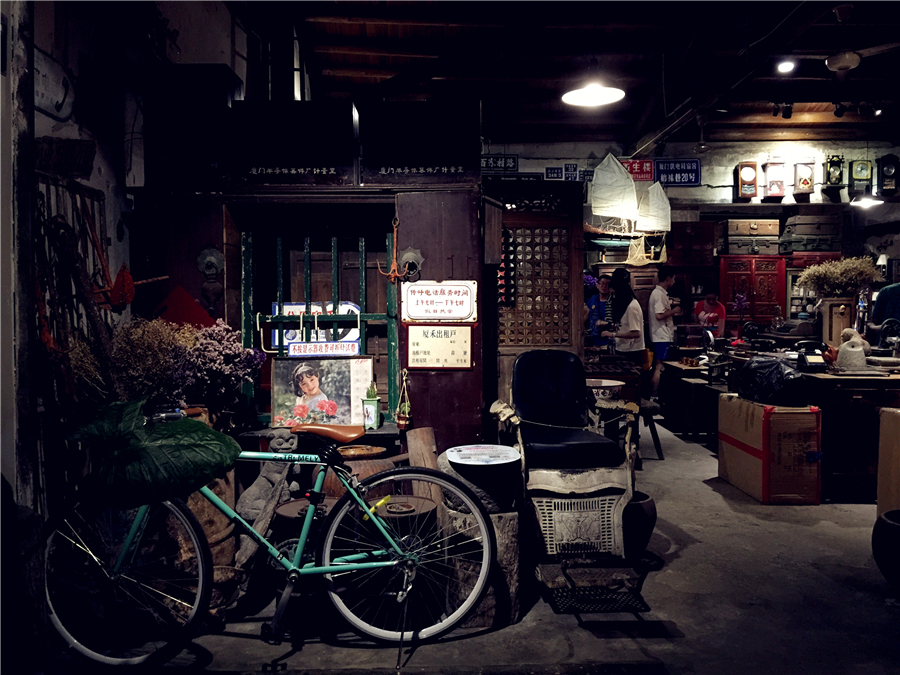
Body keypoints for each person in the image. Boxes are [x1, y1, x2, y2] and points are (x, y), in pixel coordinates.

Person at [648, 266, 682, 398]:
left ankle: (656, 395)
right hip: (661, 336)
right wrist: (674, 311)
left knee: (660, 366)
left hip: (660, 335)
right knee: (659, 366)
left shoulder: (659, 293)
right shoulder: (659, 294)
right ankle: (654, 395)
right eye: (673, 278)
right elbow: (659, 315)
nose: (674, 281)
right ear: (668, 278)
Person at [601, 267, 645, 367]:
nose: (613, 295)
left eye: (614, 292)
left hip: (632, 352)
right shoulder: (624, 305)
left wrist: (613, 334)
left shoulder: (632, 306)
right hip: (623, 348)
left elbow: (636, 333)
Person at [584, 274, 614, 348]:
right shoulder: (593, 298)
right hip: (593, 340)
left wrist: (605, 323)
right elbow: (586, 314)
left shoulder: (613, 301)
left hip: (608, 340)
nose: (604, 286)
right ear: (597, 285)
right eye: (602, 284)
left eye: (607, 284)